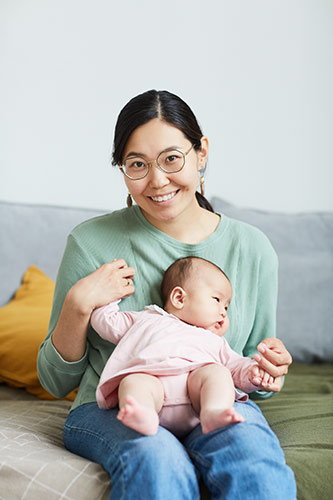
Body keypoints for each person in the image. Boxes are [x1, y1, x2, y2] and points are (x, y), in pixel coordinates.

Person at [37, 89, 296, 499]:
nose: (157, 181)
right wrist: (78, 303)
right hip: (116, 406)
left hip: (212, 399)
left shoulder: (252, 248)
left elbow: (253, 369)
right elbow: (55, 381)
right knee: (158, 458)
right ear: (122, 169)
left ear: (201, 153)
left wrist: (269, 369)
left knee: (252, 460)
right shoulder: (91, 243)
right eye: (137, 164)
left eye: (171, 159)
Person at [92, 256, 275, 437]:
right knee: (134, 381)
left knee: (218, 373)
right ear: (179, 298)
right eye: (217, 300)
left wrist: (253, 373)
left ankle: (215, 411)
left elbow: (236, 366)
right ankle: (142, 414)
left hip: (197, 402)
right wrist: (110, 293)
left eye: (227, 307)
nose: (223, 312)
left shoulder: (213, 340)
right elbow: (106, 322)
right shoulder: (146, 319)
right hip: (154, 391)